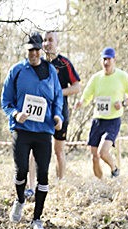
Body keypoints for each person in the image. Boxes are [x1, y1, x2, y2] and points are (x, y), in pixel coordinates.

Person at [1, 32, 64, 229]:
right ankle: (19, 200)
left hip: (44, 132)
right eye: (31, 50)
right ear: (26, 50)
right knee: (21, 171)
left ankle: (37, 218)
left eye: (37, 49)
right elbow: (5, 102)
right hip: (22, 130)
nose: (34, 53)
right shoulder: (17, 71)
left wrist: (58, 117)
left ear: (41, 50)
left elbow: (57, 99)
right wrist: (16, 113)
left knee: (43, 175)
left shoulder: (50, 71)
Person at [76, 47, 128, 179]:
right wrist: (81, 103)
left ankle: (114, 169)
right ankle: (101, 183)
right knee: (94, 156)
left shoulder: (122, 76)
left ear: (114, 60)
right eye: (104, 59)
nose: (106, 62)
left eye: (109, 59)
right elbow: (87, 96)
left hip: (113, 120)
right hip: (98, 119)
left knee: (102, 152)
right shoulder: (96, 78)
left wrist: (123, 103)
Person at [43, 30, 81, 179]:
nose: (47, 43)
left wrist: (58, 92)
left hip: (60, 113)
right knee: (39, 150)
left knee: (58, 151)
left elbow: (77, 87)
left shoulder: (64, 63)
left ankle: (60, 182)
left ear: (57, 43)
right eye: (45, 40)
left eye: (51, 40)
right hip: (41, 113)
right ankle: (39, 182)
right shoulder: (38, 63)